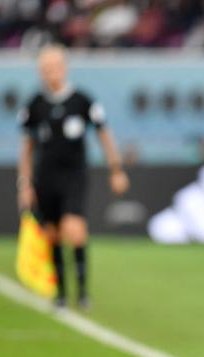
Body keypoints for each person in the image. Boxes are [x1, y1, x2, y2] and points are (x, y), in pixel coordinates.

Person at [16, 44, 130, 308]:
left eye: (54, 67)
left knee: (75, 231)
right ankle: (61, 293)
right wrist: (24, 184)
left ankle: (82, 292)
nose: (49, 73)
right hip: (46, 177)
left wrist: (116, 169)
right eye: (44, 69)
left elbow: (104, 134)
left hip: (74, 176)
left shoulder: (82, 101)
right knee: (52, 234)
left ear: (64, 68)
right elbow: (26, 149)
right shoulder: (35, 105)